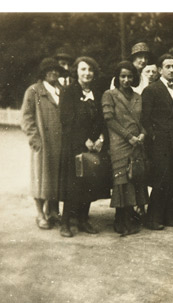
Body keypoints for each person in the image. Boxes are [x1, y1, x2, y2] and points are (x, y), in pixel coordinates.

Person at [58, 56, 111, 237]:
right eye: (83, 69)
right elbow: (66, 120)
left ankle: (83, 220)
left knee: (89, 183)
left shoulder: (97, 91)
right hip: (74, 146)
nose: (87, 73)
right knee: (73, 185)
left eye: (90, 70)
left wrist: (101, 138)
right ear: (76, 72)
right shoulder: (68, 91)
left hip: (94, 145)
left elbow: (102, 119)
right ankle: (65, 222)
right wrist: (83, 141)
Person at [101, 61, 148, 236]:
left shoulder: (138, 96)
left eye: (129, 76)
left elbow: (142, 121)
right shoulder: (109, 95)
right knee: (121, 180)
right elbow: (110, 120)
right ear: (117, 77)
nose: (126, 80)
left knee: (134, 177)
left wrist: (142, 134)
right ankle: (120, 220)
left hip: (137, 143)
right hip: (119, 143)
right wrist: (129, 137)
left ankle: (130, 216)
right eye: (122, 76)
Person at [21, 57, 65, 230]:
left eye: (56, 70)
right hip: (43, 143)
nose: (53, 72)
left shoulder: (61, 90)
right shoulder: (33, 91)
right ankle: (40, 214)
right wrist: (35, 139)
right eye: (49, 70)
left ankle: (53, 212)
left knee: (55, 179)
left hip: (60, 142)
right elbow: (26, 117)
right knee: (41, 179)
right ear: (43, 72)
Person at [141, 54, 173, 230]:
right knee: (160, 180)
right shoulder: (152, 90)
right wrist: (154, 137)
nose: (172, 70)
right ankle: (152, 219)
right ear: (159, 70)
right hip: (160, 142)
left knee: (172, 179)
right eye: (168, 67)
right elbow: (145, 118)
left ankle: (168, 216)